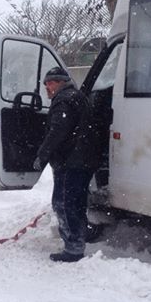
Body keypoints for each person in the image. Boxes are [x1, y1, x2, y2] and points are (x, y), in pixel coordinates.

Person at [33, 66, 96, 263]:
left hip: (70, 161)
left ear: (61, 82)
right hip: (84, 160)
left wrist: (42, 155)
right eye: (45, 83)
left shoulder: (64, 100)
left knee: (63, 204)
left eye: (50, 82)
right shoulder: (78, 96)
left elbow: (57, 132)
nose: (47, 87)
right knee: (77, 202)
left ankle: (73, 248)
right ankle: (80, 236)